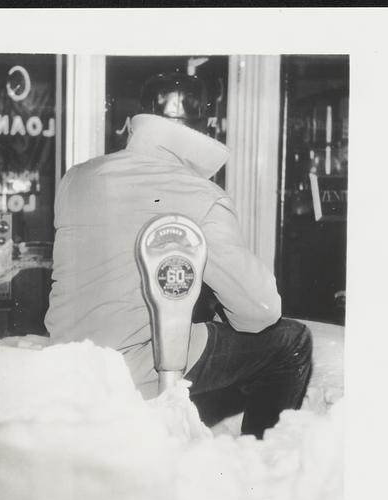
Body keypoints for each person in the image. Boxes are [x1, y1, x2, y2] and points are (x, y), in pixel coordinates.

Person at [45, 72, 312, 438]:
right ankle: (256, 470)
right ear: (202, 129)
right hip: (138, 369)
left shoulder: (77, 177)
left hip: (71, 362)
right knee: (291, 342)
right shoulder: (201, 194)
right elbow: (259, 312)